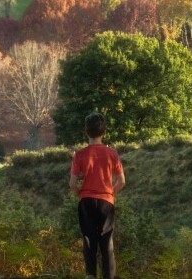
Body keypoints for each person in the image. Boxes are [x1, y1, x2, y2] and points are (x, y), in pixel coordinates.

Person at [70, 112, 126, 279]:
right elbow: (122, 181)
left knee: (88, 239)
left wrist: (80, 195)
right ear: (104, 132)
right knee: (106, 242)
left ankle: (90, 275)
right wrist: (110, 193)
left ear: (86, 131)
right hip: (106, 202)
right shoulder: (112, 153)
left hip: (86, 201)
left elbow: (72, 184)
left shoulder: (79, 154)